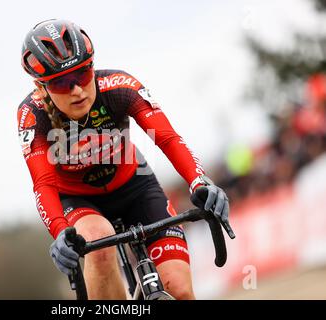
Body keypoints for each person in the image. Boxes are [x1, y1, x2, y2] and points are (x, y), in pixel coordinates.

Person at [17, 19, 230, 300]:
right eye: (61, 82)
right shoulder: (33, 115)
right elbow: (43, 183)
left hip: (135, 186)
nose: (77, 90)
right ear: (41, 87)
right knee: (99, 241)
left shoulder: (119, 86)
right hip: (79, 201)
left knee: (179, 291)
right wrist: (60, 231)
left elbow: (167, 139)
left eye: (82, 74)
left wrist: (199, 182)